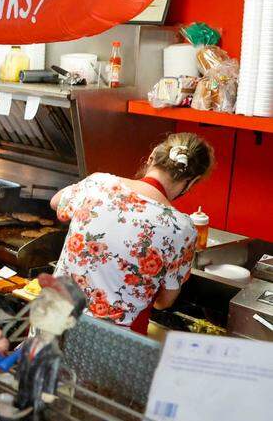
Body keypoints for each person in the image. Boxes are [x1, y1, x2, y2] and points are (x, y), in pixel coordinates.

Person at [50, 132, 213, 333]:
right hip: (110, 342)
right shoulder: (182, 229)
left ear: (152, 155)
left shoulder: (99, 183)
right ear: (193, 181)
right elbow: (164, 302)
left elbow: (56, 202)